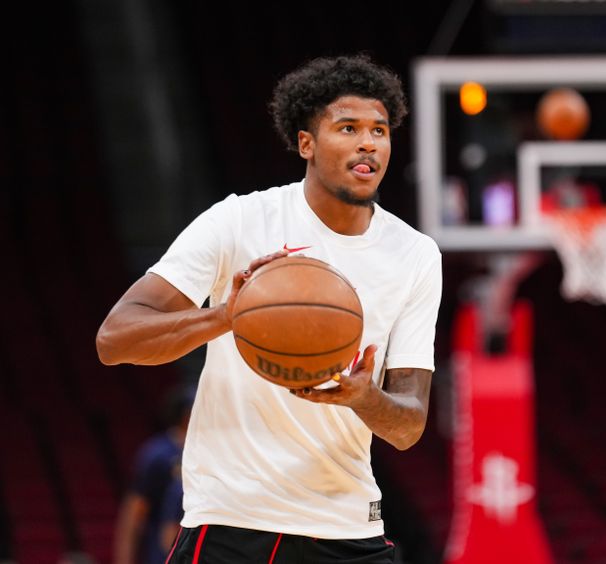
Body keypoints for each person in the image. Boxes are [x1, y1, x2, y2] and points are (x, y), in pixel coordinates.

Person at [96, 54, 443, 564]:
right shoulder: (238, 220)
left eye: (379, 130)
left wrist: (364, 397)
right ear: (306, 143)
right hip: (232, 523)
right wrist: (224, 316)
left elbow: (409, 425)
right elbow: (115, 340)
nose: (368, 142)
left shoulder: (415, 254)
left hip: (346, 526)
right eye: (348, 128)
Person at [112, 385, 194, 564]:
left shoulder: (210, 452)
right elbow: (133, 513)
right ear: (187, 414)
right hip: (163, 553)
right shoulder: (157, 454)